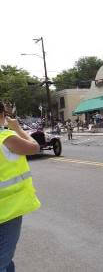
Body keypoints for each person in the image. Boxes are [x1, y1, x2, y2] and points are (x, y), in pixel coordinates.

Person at [0, 101, 41, 272]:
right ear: (2, 115)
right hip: (7, 211)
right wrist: (17, 128)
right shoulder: (6, 137)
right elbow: (35, 147)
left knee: (7, 263)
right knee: (3, 259)